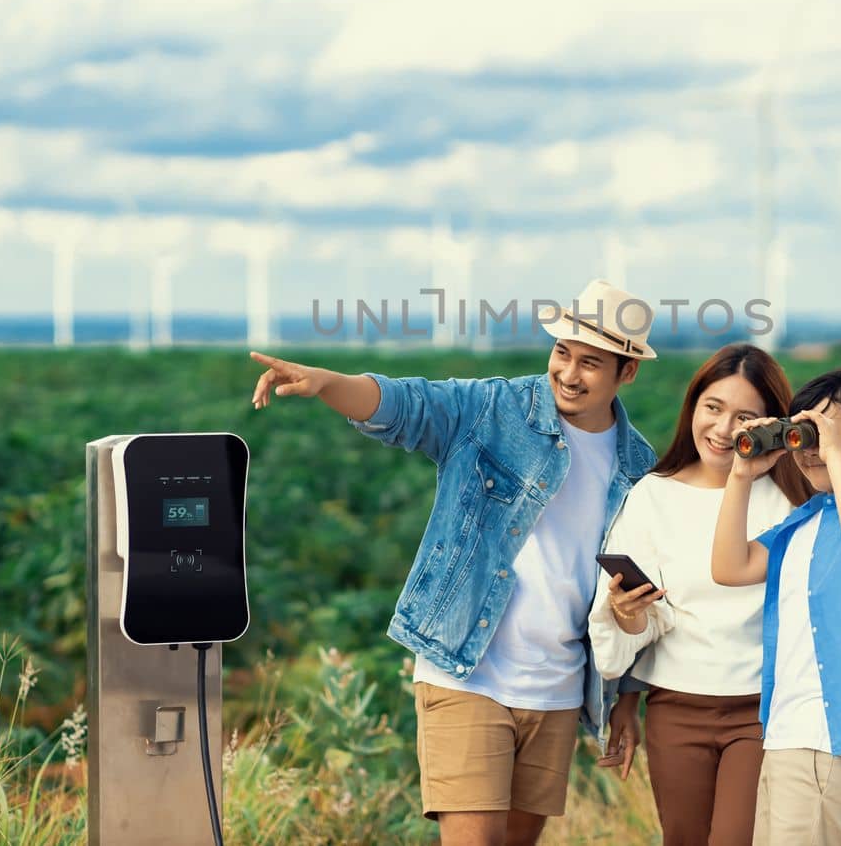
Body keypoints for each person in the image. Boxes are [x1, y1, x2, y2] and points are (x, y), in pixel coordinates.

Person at [248, 280, 657, 846]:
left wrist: (627, 704)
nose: (568, 372)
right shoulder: (492, 409)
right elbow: (405, 404)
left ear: (626, 373)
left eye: (591, 363)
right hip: (467, 672)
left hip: (559, 691)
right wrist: (326, 384)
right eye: (562, 351)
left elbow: (634, 596)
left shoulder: (640, 468)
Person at [589, 346, 841, 845]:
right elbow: (726, 569)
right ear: (692, 407)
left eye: (745, 417)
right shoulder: (666, 498)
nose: (726, 429)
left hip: (779, 715)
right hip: (721, 711)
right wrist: (743, 476)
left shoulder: (834, 503)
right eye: (713, 408)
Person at [711, 367, 841, 846]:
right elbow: (729, 567)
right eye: (800, 433)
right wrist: (741, 477)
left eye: (821, 431)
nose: (807, 448)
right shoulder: (805, 520)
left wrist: (835, 456)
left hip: (831, 733)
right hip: (788, 728)